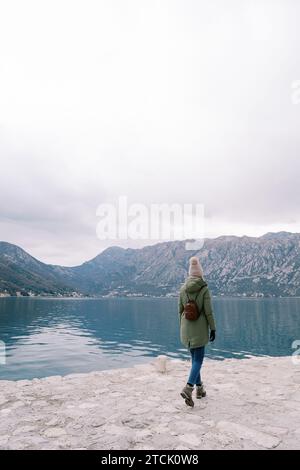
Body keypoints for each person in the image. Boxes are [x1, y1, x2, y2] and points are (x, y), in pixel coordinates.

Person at [178, 256, 216, 407]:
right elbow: (208, 312)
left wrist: (181, 328)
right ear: (200, 273)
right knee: (198, 361)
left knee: (195, 361)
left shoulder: (182, 289)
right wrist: (213, 328)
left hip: (186, 330)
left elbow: (179, 311)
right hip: (199, 330)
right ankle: (189, 388)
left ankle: (200, 389)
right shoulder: (204, 288)